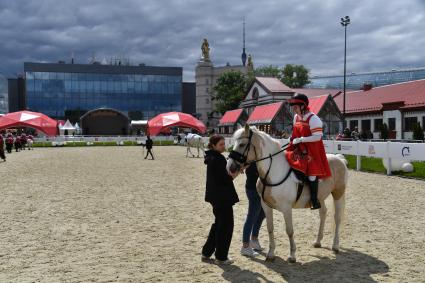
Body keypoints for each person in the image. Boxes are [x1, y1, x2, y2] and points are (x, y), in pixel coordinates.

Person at [285, 93, 332, 210]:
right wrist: (292, 139)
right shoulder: (296, 117)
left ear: (303, 106)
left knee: (311, 174)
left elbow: (318, 137)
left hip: (312, 150)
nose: (293, 108)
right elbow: (295, 132)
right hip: (298, 146)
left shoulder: (314, 119)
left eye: (295, 106)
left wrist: (301, 139)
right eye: (293, 106)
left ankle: (314, 200)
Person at [202, 134, 239, 265]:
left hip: (216, 197)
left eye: (224, 143)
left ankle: (206, 252)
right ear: (213, 145)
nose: (223, 146)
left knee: (218, 224)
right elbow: (226, 179)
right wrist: (237, 173)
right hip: (221, 198)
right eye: (221, 144)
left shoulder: (212, 156)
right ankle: (221, 257)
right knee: (226, 226)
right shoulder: (218, 159)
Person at [241, 163, 265, 257]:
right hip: (253, 190)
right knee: (251, 216)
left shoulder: (260, 156)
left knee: (262, 214)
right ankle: (245, 246)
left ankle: (254, 240)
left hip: (261, 190)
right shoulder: (251, 158)